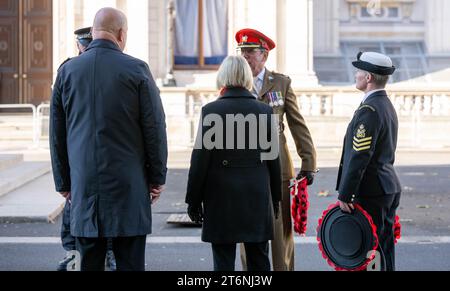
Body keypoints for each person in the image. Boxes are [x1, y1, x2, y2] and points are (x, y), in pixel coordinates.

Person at [50, 7, 168, 271]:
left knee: (88, 263)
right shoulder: (137, 69)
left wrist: (64, 183)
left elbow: (57, 133)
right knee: (130, 263)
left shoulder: (67, 72)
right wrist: (157, 178)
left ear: (92, 32)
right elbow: (155, 129)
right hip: (129, 188)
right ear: (122, 34)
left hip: (85, 188)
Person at [185, 55, 282, 271]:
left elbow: (200, 161)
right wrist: (275, 198)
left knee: (223, 263)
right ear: (247, 77)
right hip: (256, 196)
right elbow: (274, 161)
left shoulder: (211, 111)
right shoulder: (265, 111)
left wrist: (193, 200)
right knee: (259, 262)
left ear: (223, 77)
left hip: (221, 197)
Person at [235, 28, 317, 271]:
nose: (246, 57)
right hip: (245, 167)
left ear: (264, 55)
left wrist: (308, 163)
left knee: (280, 229)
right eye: (242, 52)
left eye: (250, 52)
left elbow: (297, 124)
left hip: (278, 165)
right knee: (246, 227)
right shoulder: (234, 84)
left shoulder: (280, 83)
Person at [56, 26, 117, 272]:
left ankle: (105, 255)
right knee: (74, 217)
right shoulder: (68, 70)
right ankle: (73, 258)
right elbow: (59, 128)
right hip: (80, 158)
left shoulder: (79, 70)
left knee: (88, 215)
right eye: (84, 45)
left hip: (89, 160)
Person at [336, 51, 402, 271]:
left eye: (359, 71)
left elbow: (359, 156)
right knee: (384, 248)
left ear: (369, 78)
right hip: (385, 186)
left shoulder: (370, 109)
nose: (355, 75)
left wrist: (347, 193)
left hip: (371, 190)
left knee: (370, 252)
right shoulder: (384, 105)